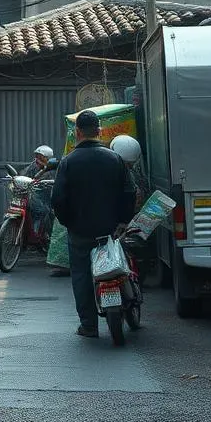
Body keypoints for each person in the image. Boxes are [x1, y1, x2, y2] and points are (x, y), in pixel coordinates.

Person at [52, 109, 136, 338]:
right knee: (121, 265)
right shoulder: (114, 158)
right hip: (110, 230)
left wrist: (68, 221)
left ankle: (89, 325)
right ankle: (129, 301)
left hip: (80, 231)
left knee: (80, 275)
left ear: (78, 132)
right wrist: (122, 221)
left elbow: (57, 199)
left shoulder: (68, 162)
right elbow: (130, 191)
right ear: (99, 131)